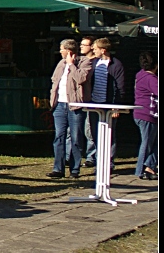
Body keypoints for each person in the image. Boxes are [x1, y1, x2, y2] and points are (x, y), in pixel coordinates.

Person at [47, 38, 92, 179]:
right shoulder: (60, 63)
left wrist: (72, 65)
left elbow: (81, 79)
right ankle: (58, 168)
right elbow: (55, 81)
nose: (60, 51)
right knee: (59, 136)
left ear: (69, 51)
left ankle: (75, 169)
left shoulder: (85, 62)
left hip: (75, 105)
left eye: (62, 49)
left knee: (76, 137)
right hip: (59, 105)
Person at [87, 37, 126, 170]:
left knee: (109, 132)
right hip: (94, 103)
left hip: (108, 103)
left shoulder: (116, 64)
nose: (93, 50)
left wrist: (116, 107)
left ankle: (108, 162)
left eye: (96, 48)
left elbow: (120, 87)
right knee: (94, 132)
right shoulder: (93, 63)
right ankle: (98, 158)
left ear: (103, 50)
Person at [133, 52, 158, 180]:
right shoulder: (151, 79)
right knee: (147, 142)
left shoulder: (140, 75)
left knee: (155, 142)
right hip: (147, 113)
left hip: (141, 113)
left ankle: (150, 166)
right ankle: (141, 169)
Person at [78, 37, 97, 166]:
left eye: (84, 45)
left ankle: (91, 157)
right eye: (81, 44)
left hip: (91, 99)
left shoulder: (95, 63)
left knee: (89, 129)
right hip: (79, 99)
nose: (81, 47)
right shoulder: (79, 61)